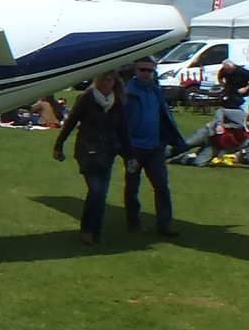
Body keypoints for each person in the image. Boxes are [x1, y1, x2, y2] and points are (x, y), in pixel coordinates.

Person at [52, 70, 128, 246]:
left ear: (114, 83)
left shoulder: (117, 103)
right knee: (96, 191)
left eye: (108, 80)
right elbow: (70, 123)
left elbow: (123, 130)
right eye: (101, 79)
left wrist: (130, 154)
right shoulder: (86, 99)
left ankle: (97, 231)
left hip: (107, 152)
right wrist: (58, 145)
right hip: (88, 151)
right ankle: (87, 230)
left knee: (101, 195)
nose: (104, 83)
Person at [123, 56, 185, 236]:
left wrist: (167, 138)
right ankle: (133, 223)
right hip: (134, 146)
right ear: (135, 70)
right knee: (132, 187)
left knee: (162, 186)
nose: (146, 74)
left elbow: (164, 115)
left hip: (155, 146)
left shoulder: (155, 90)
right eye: (143, 70)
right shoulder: (127, 91)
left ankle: (164, 224)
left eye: (150, 71)